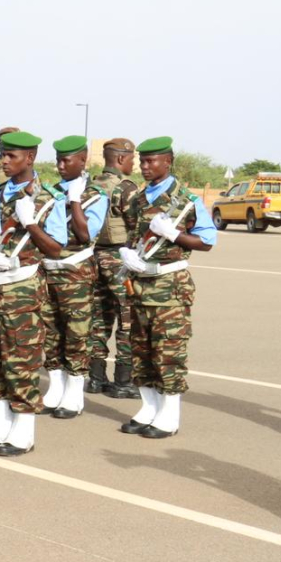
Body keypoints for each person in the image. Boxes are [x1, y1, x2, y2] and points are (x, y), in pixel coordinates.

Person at [0, 131, 63, 457]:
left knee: (20, 359)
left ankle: (24, 431)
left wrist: (32, 224)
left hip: (21, 286)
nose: (4, 161)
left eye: (12, 156)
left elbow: (55, 249)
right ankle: (1, 424)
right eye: (3, 155)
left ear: (31, 158)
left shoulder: (48, 197)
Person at [118, 136, 217, 438]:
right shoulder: (137, 199)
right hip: (140, 284)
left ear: (168, 162)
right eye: (142, 161)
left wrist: (173, 234)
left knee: (168, 352)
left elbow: (207, 242)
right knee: (141, 350)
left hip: (169, 287)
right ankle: (149, 408)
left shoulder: (187, 201)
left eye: (151, 161)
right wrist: (127, 253)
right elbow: (133, 235)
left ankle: (169, 415)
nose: (144, 167)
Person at [39, 135, 108, 418]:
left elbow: (84, 233)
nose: (60, 166)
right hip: (48, 269)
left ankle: (75, 392)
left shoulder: (95, 196)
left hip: (76, 272)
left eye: (67, 160)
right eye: (58, 160)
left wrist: (75, 200)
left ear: (83, 161)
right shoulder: (51, 191)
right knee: (50, 332)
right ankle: (56, 385)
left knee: (76, 332)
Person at [88, 138, 138, 397]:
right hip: (119, 258)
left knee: (99, 318)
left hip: (95, 256)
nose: (134, 162)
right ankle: (123, 380)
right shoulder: (125, 188)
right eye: (131, 158)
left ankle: (96, 378)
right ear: (120, 159)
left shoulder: (93, 184)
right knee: (128, 318)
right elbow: (136, 225)